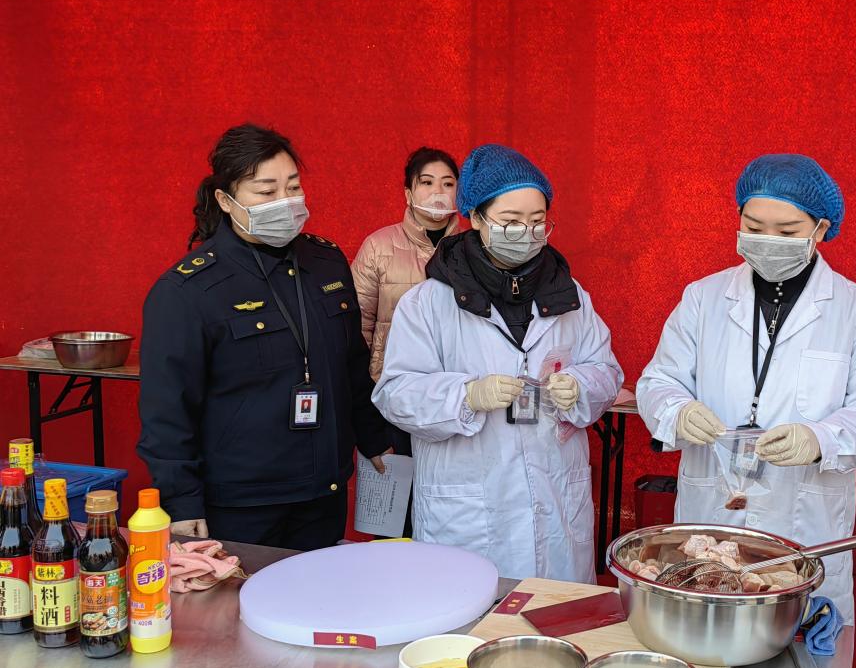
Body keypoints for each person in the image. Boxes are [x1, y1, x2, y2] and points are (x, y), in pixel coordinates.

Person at [637, 154, 856, 620]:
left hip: (803, 521)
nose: (768, 242)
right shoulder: (703, 298)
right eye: (754, 226)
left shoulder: (855, 310)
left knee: (797, 659)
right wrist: (677, 410)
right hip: (713, 513)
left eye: (786, 233)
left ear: (821, 229)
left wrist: (821, 438)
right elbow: (658, 380)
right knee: (705, 647)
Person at [372, 143, 622, 582]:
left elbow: (607, 371)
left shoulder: (570, 295)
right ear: (476, 218)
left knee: (556, 629)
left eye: (537, 221)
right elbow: (395, 393)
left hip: (556, 505)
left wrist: (582, 385)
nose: (526, 232)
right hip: (469, 513)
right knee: (471, 632)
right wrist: (466, 395)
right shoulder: (430, 302)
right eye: (510, 222)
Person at [138, 124, 394, 550]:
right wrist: (182, 502)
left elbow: (351, 363)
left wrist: (374, 440)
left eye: (293, 187)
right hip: (241, 506)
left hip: (322, 493)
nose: (285, 202)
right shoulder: (188, 290)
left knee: (316, 607)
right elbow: (167, 411)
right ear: (226, 199)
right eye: (265, 191)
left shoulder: (326, 263)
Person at [351, 146, 462, 383]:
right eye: (427, 182)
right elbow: (358, 323)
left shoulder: (472, 248)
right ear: (408, 194)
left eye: (448, 184)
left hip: (456, 383)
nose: (438, 191)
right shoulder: (377, 247)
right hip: (391, 381)